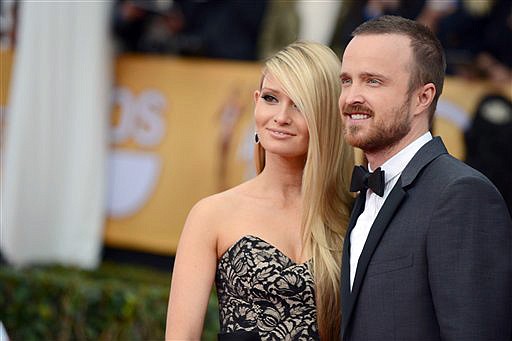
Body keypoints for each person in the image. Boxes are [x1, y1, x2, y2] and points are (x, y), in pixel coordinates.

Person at [338, 15, 512, 340]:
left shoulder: (461, 194)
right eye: (346, 80)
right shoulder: (365, 194)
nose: (351, 97)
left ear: (423, 97)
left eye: (372, 81)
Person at [166, 41, 355, 340]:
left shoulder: (353, 216)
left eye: (300, 104)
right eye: (270, 98)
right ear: (256, 101)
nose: (281, 116)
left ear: (328, 116)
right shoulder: (212, 214)